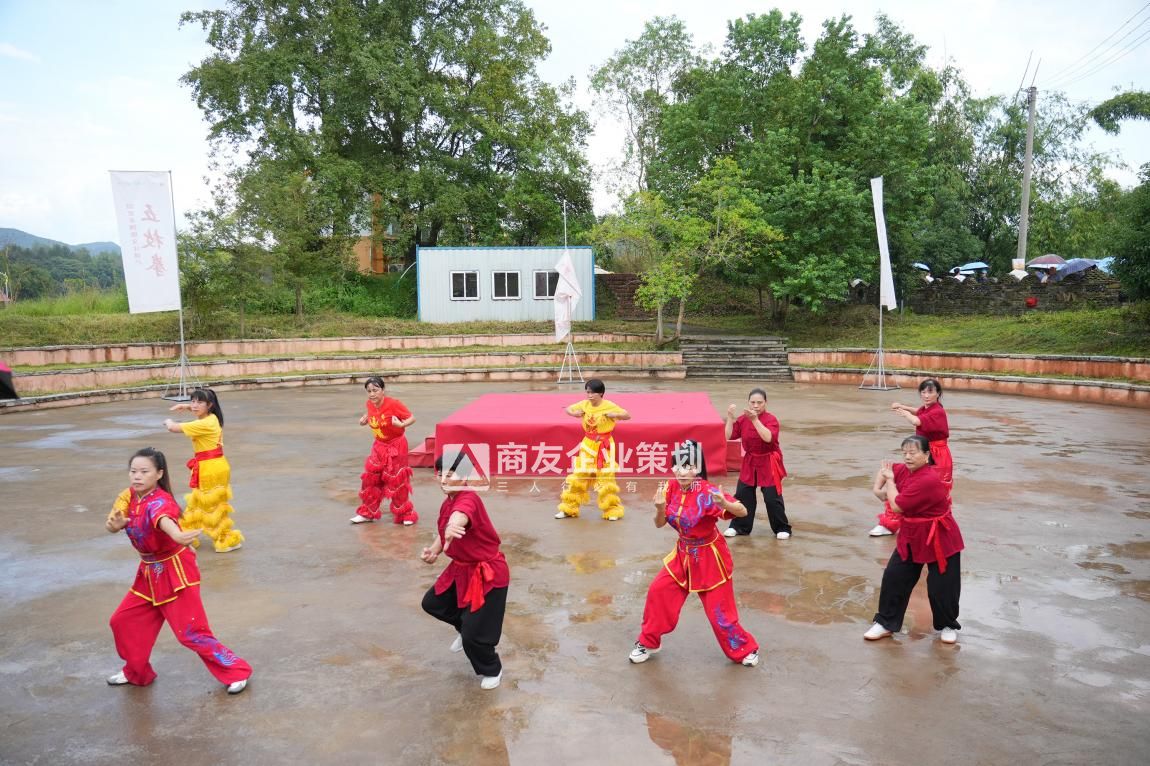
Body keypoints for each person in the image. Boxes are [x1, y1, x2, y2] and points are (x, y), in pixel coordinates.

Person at [104, 447, 252, 693]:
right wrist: (115, 526)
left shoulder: (161, 501)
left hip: (176, 572)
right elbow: (112, 523)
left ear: (159, 474)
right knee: (123, 621)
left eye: (144, 471)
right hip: (148, 573)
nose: (137, 476)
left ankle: (237, 671)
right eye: (133, 471)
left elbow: (163, 519)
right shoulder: (127, 497)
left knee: (190, 633)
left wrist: (178, 535)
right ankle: (136, 672)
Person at [629, 440, 760, 667]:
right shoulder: (670, 487)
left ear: (697, 468)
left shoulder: (708, 492)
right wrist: (660, 508)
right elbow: (659, 523)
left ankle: (745, 649)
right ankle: (648, 642)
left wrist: (726, 504)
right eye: (678, 466)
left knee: (720, 614)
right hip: (682, 555)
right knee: (658, 592)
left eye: (688, 466)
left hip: (709, 558)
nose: (682, 472)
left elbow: (743, 511)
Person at [420, 452, 510, 690]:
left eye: (450, 474)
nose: (443, 479)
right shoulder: (448, 500)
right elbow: (445, 530)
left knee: (475, 636)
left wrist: (454, 524)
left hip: (488, 573)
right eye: (441, 474)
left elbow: (460, 516)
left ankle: (492, 669)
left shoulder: (468, 498)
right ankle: (464, 627)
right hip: (460, 568)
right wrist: (434, 550)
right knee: (433, 603)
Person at [863, 435, 964, 644]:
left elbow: (897, 505)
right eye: (905, 452)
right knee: (894, 577)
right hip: (912, 534)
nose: (907, 457)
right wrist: (877, 488)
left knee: (942, 585)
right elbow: (885, 469)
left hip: (939, 536)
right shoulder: (903, 469)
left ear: (926, 455)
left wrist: (890, 483)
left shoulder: (928, 479)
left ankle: (948, 625)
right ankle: (885, 623)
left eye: (913, 452)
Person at [871, 378, 953, 537]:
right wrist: (903, 407)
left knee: (930, 490)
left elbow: (916, 420)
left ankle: (897, 523)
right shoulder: (929, 408)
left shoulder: (937, 411)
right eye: (923, 392)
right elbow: (919, 411)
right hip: (922, 451)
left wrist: (904, 413)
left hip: (936, 455)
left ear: (938, 393)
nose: (926, 395)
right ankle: (889, 517)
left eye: (930, 392)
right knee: (897, 474)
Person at [164, 389, 243, 553]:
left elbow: (173, 428)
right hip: (211, 465)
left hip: (211, 468)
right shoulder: (212, 417)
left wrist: (168, 421)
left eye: (199, 402)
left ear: (210, 405)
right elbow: (199, 408)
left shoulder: (204, 424)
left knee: (211, 506)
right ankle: (187, 535)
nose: (194, 405)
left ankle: (225, 540)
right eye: (193, 401)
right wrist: (187, 406)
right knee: (197, 502)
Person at [555, 378, 631, 521]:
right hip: (588, 444)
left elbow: (627, 415)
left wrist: (616, 415)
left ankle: (612, 510)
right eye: (588, 392)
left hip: (604, 445)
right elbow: (568, 409)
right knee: (580, 475)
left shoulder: (609, 406)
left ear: (601, 393)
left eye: (592, 393)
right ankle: (569, 508)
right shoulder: (584, 404)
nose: (589, 395)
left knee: (606, 477)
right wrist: (574, 414)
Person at [724, 388, 791, 540]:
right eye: (753, 402)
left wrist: (755, 420)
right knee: (743, 494)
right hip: (750, 460)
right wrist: (729, 418)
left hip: (768, 460)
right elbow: (727, 436)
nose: (756, 405)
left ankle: (781, 528)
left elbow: (768, 438)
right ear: (748, 403)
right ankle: (739, 526)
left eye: (759, 402)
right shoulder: (742, 419)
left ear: (765, 403)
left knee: (772, 497)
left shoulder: (771, 419)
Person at [350, 376, 417, 525]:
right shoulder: (369, 404)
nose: (372, 394)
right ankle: (367, 513)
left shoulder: (394, 404)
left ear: (383, 390)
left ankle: (405, 514)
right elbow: (372, 413)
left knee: (396, 480)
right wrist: (365, 419)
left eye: (375, 390)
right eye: (369, 391)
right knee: (371, 479)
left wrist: (401, 425)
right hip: (379, 446)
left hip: (396, 446)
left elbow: (412, 418)